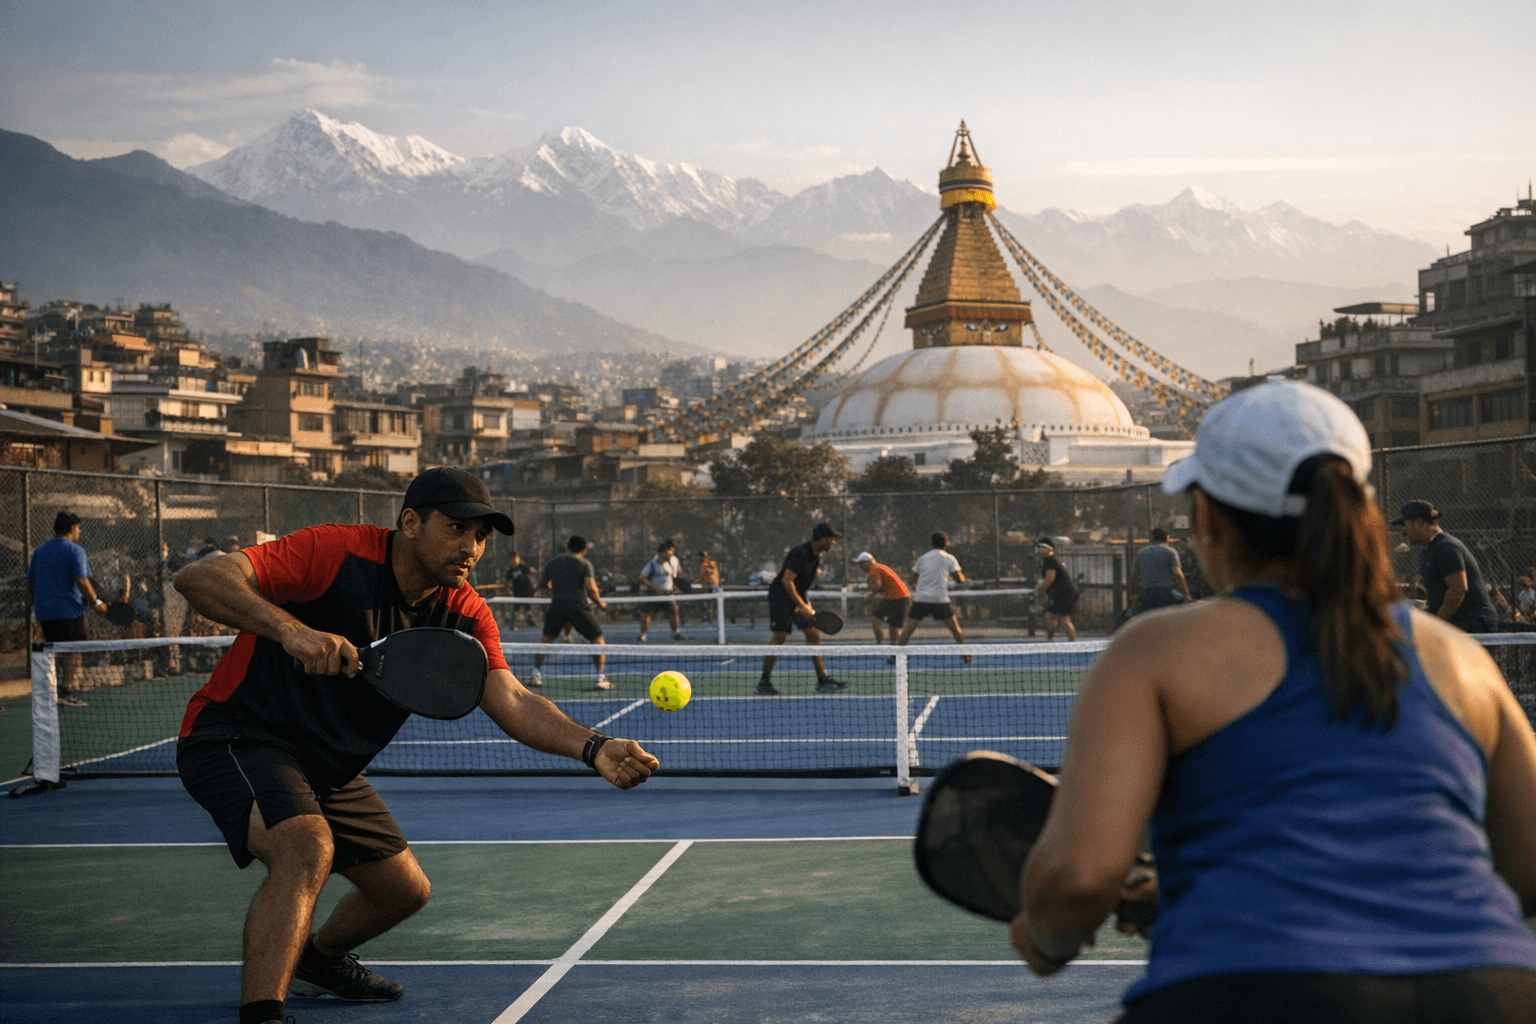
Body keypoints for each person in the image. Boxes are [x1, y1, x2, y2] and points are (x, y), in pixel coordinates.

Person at [1011, 380, 1536, 1022]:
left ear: (1208, 519)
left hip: (1247, 989)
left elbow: (1079, 880)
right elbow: (1529, 866)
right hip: (1492, 993)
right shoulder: (1462, 659)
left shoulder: (1154, 650)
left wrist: (1046, 935)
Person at [172, 467, 658, 1024]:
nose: (472, 547)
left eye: (481, 536)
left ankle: (319, 961)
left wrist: (594, 746)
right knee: (306, 847)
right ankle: (264, 1016)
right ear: (410, 522)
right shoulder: (336, 553)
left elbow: (514, 700)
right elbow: (199, 577)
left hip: (328, 767)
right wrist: (291, 630)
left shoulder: (466, 614)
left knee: (403, 892)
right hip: (238, 733)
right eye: (457, 529)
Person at [26, 511, 110, 706]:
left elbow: (30, 584)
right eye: (79, 528)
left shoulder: (40, 551)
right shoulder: (75, 550)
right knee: (74, 652)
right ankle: (66, 692)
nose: (80, 532)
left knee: (54, 651)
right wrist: (97, 602)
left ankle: (54, 692)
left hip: (44, 612)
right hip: (69, 612)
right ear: (73, 528)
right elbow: (81, 580)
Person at [758, 522, 849, 695]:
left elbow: (801, 585)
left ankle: (823, 680)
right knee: (779, 637)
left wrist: (806, 605)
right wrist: (800, 604)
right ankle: (764, 681)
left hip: (795, 597)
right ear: (821, 539)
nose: (834, 543)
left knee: (814, 633)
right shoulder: (800, 553)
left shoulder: (816, 557)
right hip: (780, 597)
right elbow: (786, 581)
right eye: (831, 539)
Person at [1393, 500, 1498, 634]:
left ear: (1419, 522)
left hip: (1474, 624)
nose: (1404, 531)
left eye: (1405, 524)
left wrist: (1436, 624)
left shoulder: (1446, 547)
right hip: (1456, 623)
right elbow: (1436, 594)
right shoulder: (1427, 550)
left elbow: (1458, 589)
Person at [532, 535, 611, 690]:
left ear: (568, 547)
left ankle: (536, 675)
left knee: (546, 638)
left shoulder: (553, 562)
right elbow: (591, 588)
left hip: (557, 605)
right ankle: (600, 678)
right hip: (577, 606)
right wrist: (601, 604)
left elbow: (542, 583)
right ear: (584, 550)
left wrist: (556, 589)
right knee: (597, 638)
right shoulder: (584, 564)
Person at [897, 532, 969, 659]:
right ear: (946, 544)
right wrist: (964, 577)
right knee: (956, 629)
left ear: (931, 543)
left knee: (907, 631)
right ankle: (966, 655)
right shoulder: (949, 558)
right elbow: (959, 579)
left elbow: (911, 580)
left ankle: (894, 656)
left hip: (921, 600)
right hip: (940, 600)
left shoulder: (922, 559)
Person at [1128, 527, 1191, 617]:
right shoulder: (1170, 552)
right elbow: (1178, 573)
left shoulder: (1141, 553)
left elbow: (1132, 576)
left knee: (1146, 618)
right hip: (1165, 592)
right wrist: (1186, 593)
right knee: (1178, 602)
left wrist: (1131, 593)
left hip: (1146, 593)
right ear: (1167, 538)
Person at [855, 551, 911, 647]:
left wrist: (871, 596)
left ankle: (879, 645)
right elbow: (877, 585)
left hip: (895, 598)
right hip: (902, 597)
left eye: (860, 564)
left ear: (867, 562)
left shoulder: (874, 568)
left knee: (875, 619)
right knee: (894, 627)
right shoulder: (879, 567)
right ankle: (895, 652)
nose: (860, 567)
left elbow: (877, 585)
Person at [636, 539, 686, 642]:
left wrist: (675, 587)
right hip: (653, 595)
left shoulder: (670, 564)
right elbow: (641, 578)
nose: (671, 556)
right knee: (646, 614)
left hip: (668, 595)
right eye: (669, 554)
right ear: (663, 553)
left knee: (674, 612)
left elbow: (673, 578)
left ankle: (675, 633)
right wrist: (654, 587)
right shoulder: (651, 564)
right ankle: (643, 635)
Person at [1032, 537, 1079, 641]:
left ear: (1050, 550)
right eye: (1039, 547)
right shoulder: (1053, 560)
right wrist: (1044, 591)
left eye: (1043, 547)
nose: (1040, 549)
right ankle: (1067, 642)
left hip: (1063, 593)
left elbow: (1050, 578)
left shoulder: (1050, 560)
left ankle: (1051, 641)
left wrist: (1040, 590)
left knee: (1056, 618)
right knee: (1058, 618)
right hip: (1066, 592)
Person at [696, 550, 721, 622]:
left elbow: (710, 572)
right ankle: (708, 615)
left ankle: (709, 616)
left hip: (711, 586)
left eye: (702, 556)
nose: (700, 558)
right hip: (709, 586)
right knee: (707, 601)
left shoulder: (709, 564)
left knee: (710, 601)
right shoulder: (704, 565)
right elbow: (701, 576)